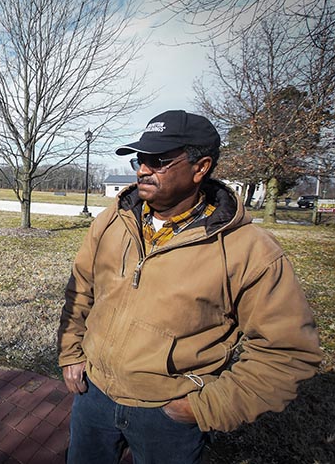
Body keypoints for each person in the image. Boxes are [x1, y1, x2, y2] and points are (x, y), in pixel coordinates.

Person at [57, 110, 322, 463]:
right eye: (141, 159)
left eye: (159, 160)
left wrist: (204, 408)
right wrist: (72, 353)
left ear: (201, 168)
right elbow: (81, 290)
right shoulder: (112, 220)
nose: (142, 170)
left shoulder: (249, 250)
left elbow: (287, 353)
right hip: (94, 396)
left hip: (168, 416)